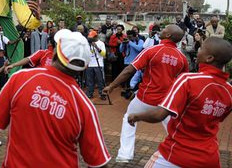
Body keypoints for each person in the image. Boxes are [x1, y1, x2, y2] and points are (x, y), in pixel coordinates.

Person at [0, 29, 111, 167]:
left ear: (55, 53)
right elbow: (98, 162)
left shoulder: (20, 79)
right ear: (84, 66)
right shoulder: (85, 107)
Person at [128, 37, 232, 168]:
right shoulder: (229, 91)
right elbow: (217, 119)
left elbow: (159, 115)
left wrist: (136, 116)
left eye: (201, 48)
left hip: (176, 153)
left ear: (209, 58)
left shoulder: (188, 79)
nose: (198, 50)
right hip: (210, 157)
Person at [103, 24, 189, 163]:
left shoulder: (152, 50)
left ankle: (125, 155)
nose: (162, 30)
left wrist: (112, 86)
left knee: (129, 119)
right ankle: (182, 158)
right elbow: (184, 83)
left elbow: (129, 70)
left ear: (168, 36)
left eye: (165, 29)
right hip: (166, 104)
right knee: (174, 132)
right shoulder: (182, 58)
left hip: (145, 99)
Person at [85, 30, 107, 99]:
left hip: (98, 64)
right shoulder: (88, 44)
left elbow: (103, 54)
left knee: (100, 80)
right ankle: (90, 93)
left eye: (92, 37)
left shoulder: (101, 43)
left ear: (96, 36)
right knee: (90, 80)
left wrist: (96, 47)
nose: (90, 39)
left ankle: (102, 93)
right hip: (90, 64)